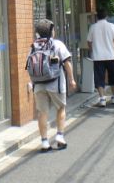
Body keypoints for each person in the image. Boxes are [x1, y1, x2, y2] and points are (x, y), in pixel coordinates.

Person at [31, 19, 76, 152]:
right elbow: (67, 62)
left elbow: (30, 66)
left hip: (38, 85)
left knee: (42, 113)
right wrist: (72, 79)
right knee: (61, 108)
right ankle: (60, 137)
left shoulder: (34, 46)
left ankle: (44, 142)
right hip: (56, 83)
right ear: (51, 31)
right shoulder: (57, 44)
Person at [87, 8, 114, 108]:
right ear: (106, 16)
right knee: (112, 76)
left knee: (99, 78)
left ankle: (102, 98)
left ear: (97, 17)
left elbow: (89, 42)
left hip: (97, 57)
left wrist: (93, 50)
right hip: (111, 56)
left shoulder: (92, 27)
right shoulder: (111, 26)